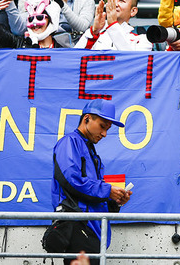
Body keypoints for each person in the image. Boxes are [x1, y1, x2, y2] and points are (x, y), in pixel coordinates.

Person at [51, 99, 132, 265]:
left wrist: (115, 201)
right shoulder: (70, 142)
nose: (104, 134)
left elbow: (92, 197)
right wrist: (107, 190)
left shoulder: (91, 152)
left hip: (93, 231)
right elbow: (71, 180)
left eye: (107, 129)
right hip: (78, 227)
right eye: (102, 126)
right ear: (86, 118)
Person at [75, 0, 152, 51]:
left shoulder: (143, 39)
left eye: (121, 0)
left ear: (133, 11)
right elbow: (74, 58)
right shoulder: (95, 34)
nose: (115, 4)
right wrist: (93, 32)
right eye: (111, 0)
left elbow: (133, 62)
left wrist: (113, 25)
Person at [0, 0, 71, 48]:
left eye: (40, 17)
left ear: (51, 20)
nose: (35, 23)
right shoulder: (19, 44)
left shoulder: (61, 51)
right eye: (31, 19)